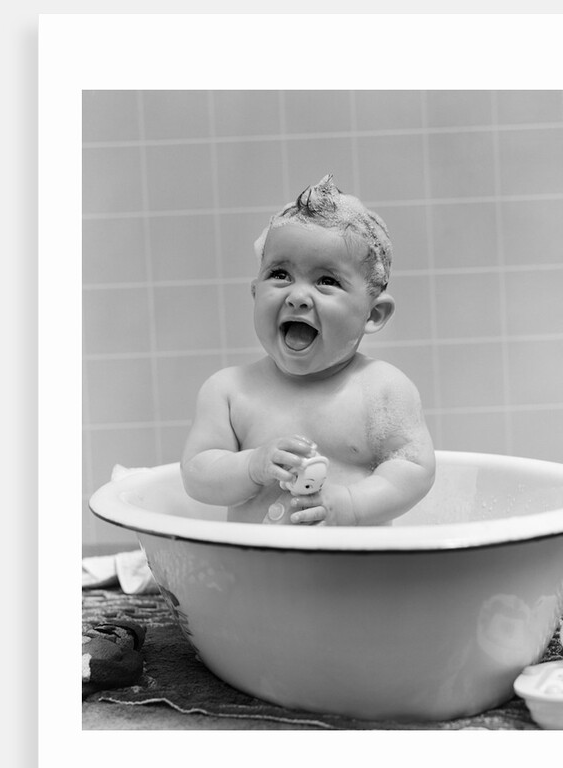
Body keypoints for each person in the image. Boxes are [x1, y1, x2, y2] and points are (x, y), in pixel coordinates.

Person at [181, 175, 435, 525]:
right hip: (256, 574)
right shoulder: (229, 391)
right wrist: (251, 466)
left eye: (326, 281)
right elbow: (197, 476)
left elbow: (412, 469)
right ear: (256, 293)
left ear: (373, 314)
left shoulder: (382, 389)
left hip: (360, 572)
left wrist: (349, 504)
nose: (298, 296)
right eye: (280, 274)